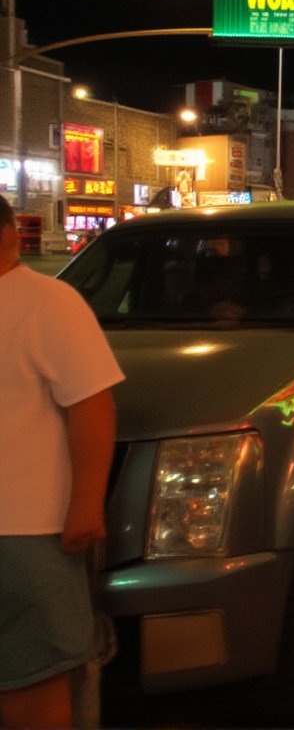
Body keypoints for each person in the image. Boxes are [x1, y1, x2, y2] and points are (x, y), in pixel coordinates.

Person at [0, 194, 124, 728]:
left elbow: (92, 406)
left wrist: (84, 505)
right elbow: (92, 405)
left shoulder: (46, 302)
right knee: (31, 683)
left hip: (29, 534)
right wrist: (86, 506)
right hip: (28, 538)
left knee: (34, 684)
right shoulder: (46, 302)